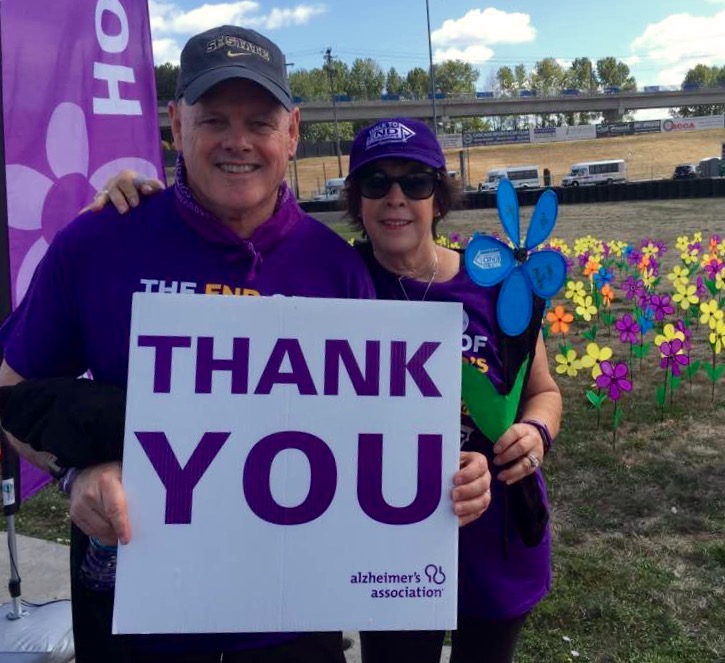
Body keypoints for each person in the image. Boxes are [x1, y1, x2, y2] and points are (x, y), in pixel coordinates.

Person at [0, 24, 490, 662]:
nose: (238, 142)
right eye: (214, 119)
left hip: (294, 627)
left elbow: (380, 437)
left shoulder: (338, 269)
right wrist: (75, 474)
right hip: (139, 622)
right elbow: (11, 395)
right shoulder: (97, 243)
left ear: (292, 131)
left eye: (259, 121)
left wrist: (445, 477)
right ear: (177, 124)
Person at [92, 116, 562, 663]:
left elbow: (544, 391)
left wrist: (535, 433)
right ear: (355, 200)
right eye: (374, 183)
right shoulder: (329, 281)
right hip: (390, 550)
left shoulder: (500, 285)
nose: (395, 199)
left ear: (439, 195)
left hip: (495, 536)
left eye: (414, 182)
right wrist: (138, 202)